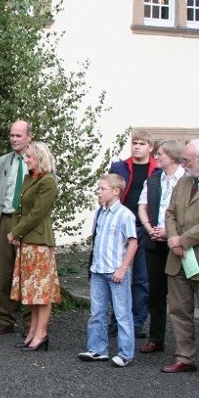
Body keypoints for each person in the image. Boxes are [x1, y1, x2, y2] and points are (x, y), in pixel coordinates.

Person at [78, 173, 138, 367]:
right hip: (98, 270)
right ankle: (97, 349)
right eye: (99, 189)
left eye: (103, 189)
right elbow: (97, 241)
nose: (99, 192)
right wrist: (91, 268)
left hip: (115, 271)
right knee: (97, 312)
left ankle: (126, 353)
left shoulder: (125, 215)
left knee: (122, 314)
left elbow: (133, 243)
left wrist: (123, 268)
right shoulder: (99, 213)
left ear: (116, 191)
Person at [6, 142, 61, 352]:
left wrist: (15, 231)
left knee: (42, 292)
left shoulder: (48, 182)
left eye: (29, 157)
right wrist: (17, 232)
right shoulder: (30, 177)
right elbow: (20, 208)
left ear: (40, 158)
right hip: (27, 241)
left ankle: (41, 334)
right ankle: (33, 332)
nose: (26, 160)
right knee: (32, 292)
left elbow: (37, 213)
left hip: (39, 242)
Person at [136, 140, 184, 354]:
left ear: (172, 157)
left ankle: (184, 346)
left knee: (180, 294)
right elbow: (142, 207)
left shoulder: (187, 180)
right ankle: (157, 339)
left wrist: (168, 231)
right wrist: (149, 228)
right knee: (155, 291)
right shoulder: (153, 180)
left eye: (160, 154)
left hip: (178, 242)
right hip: (154, 241)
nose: (156, 158)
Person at [109, 129, 157, 338]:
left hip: (144, 227)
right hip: (120, 227)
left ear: (151, 147)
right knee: (117, 274)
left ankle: (136, 322)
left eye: (142, 143)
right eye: (135, 142)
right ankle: (116, 320)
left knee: (141, 277)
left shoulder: (157, 170)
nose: (137, 146)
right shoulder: (119, 167)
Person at [0, 120, 33, 337]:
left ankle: (30, 321)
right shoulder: (3, 162)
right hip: (6, 219)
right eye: (12, 135)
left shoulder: (38, 161)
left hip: (27, 221)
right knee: (4, 273)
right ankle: (5, 319)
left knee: (27, 273)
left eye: (19, 135)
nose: (14, 139)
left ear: (29, 137)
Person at [160, 139, 199, 373]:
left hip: (193, 252)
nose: (183, 165)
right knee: (178, 310)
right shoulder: (184, 182)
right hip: (178, 259)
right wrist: (174, 240)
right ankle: (185, 357)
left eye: (186, 160)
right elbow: (170, 212)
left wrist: (183, 240)